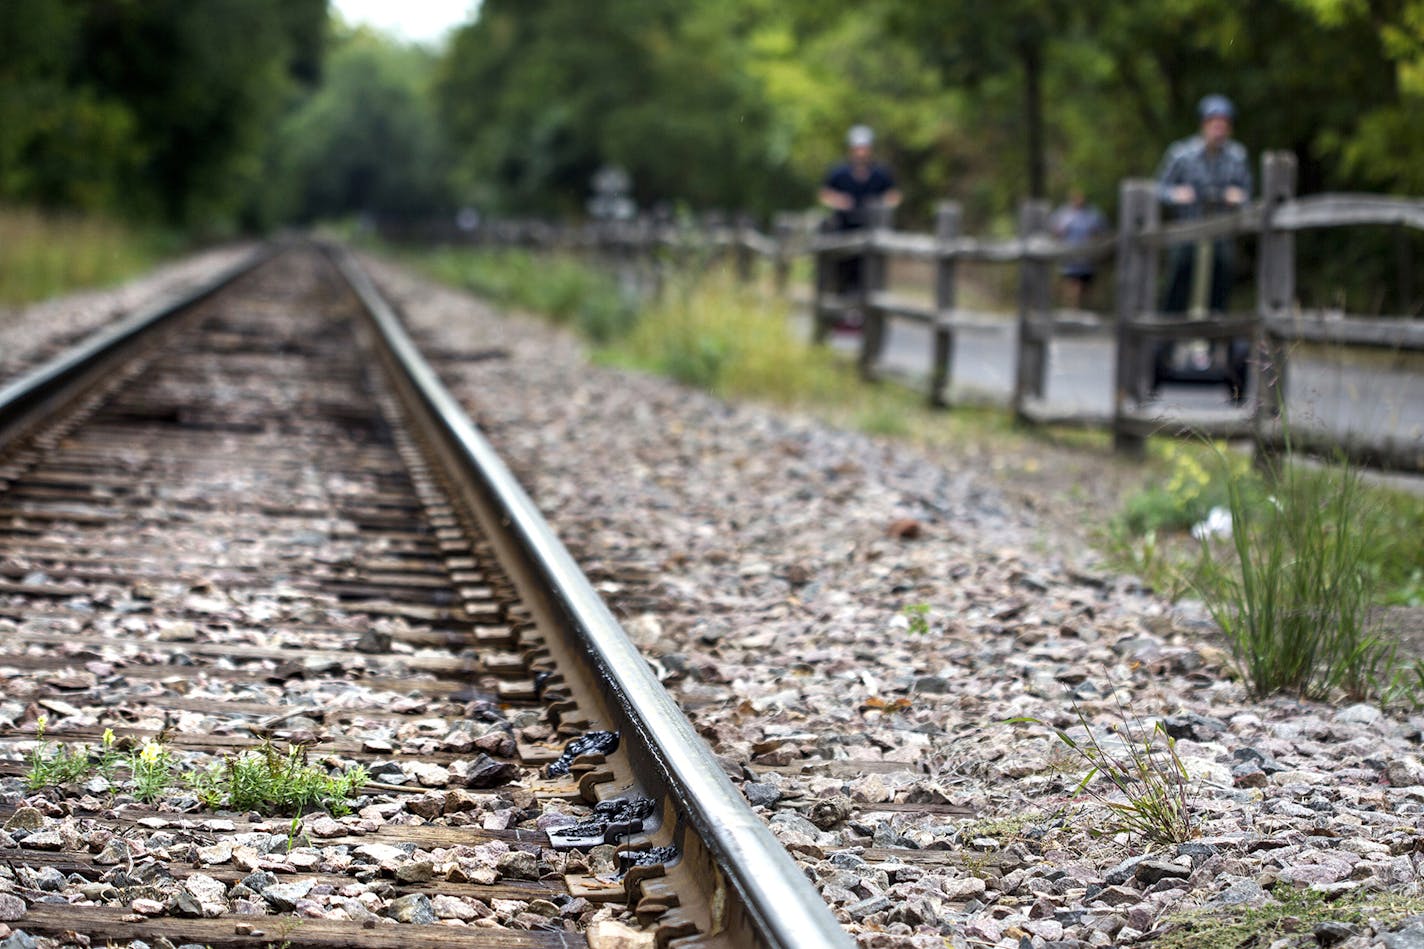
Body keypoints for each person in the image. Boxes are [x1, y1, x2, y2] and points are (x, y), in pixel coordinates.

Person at [1154, 94, 1253, 401]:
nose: (1219, 129)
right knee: (1177, 285)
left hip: (1220, 237)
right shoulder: (1182, 154)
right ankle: (1165, 348)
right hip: (1187, 235)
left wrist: (1238, 197)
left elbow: (1248, 193)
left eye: (1224, 124)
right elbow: (1159, 189)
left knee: (1221, 285)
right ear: (1204, 125)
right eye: (1214, 123)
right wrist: (1176, 195)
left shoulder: (1237, 157)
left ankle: (1214, 349)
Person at [819, 125, 901, 309]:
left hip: (871, 231)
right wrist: (839, 201)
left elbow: (894, 196)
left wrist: (880, 203)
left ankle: (862, 312)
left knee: (868, 274)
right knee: (842, 271)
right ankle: (841, 311)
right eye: (858, 147)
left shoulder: (880, 173)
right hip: (843, 231)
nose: (861, 152)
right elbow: (824, 194)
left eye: (864, 147)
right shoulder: (839, 172)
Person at [1049, 189, 1107, 310]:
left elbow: (1101, 233)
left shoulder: (1093, 214)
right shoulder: (1063, 214)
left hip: (1087, 261)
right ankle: (1072, 311)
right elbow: (1055, 232)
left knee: (1086, 289)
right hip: (1069, 261)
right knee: (1072, 287)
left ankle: (1084, 311)